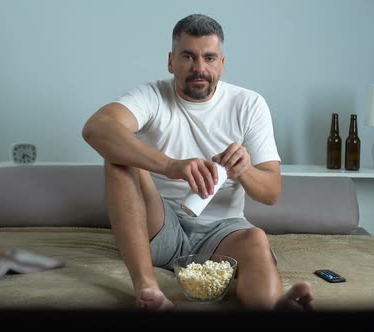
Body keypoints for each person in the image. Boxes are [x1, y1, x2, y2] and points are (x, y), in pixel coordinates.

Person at [82, 13, 314, 311]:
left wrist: (244, 170)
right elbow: (96, 128)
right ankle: (148, 289)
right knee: (118, 158)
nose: (199, 68)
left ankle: (277, 307)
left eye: (209, 57)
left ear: (222, 63)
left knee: (256, 238)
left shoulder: (248, 104)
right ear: (171, 61)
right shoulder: (152, 96)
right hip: (160, 225)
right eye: (188, 57)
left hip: (223, 233)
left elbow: (271, 193)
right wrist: (171, 166)